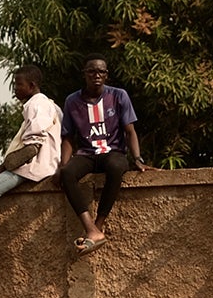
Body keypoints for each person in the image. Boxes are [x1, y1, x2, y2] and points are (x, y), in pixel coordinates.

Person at [0, 66, 62, 282]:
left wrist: (3, 167)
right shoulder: (50, 104)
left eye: (18, 84)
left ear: (31, 86)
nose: (15, 89)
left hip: (35, 167)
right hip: (45, 164)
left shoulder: (36, 104)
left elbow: (31, 148)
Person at [57, 54, 154, 257]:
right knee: (67, 174)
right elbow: (68, 138)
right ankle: (90, 227)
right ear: (85, 74)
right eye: (92, 71)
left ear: (106, 75)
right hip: (87, 153)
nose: (96, 75)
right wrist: (62, 166)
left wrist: (137, 159)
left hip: (113, 152)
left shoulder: (118, 96)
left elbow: (130, 131)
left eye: (101, 71)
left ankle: (97, 227)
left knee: (117, 167)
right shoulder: (72, 101)